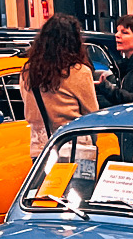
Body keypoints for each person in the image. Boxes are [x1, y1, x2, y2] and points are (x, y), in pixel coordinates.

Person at [21, 14, 99, 150]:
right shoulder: (79, 71)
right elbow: (92, 113)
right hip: (73, 147)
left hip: (40, 148)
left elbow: (27, 103)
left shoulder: (28, 70)